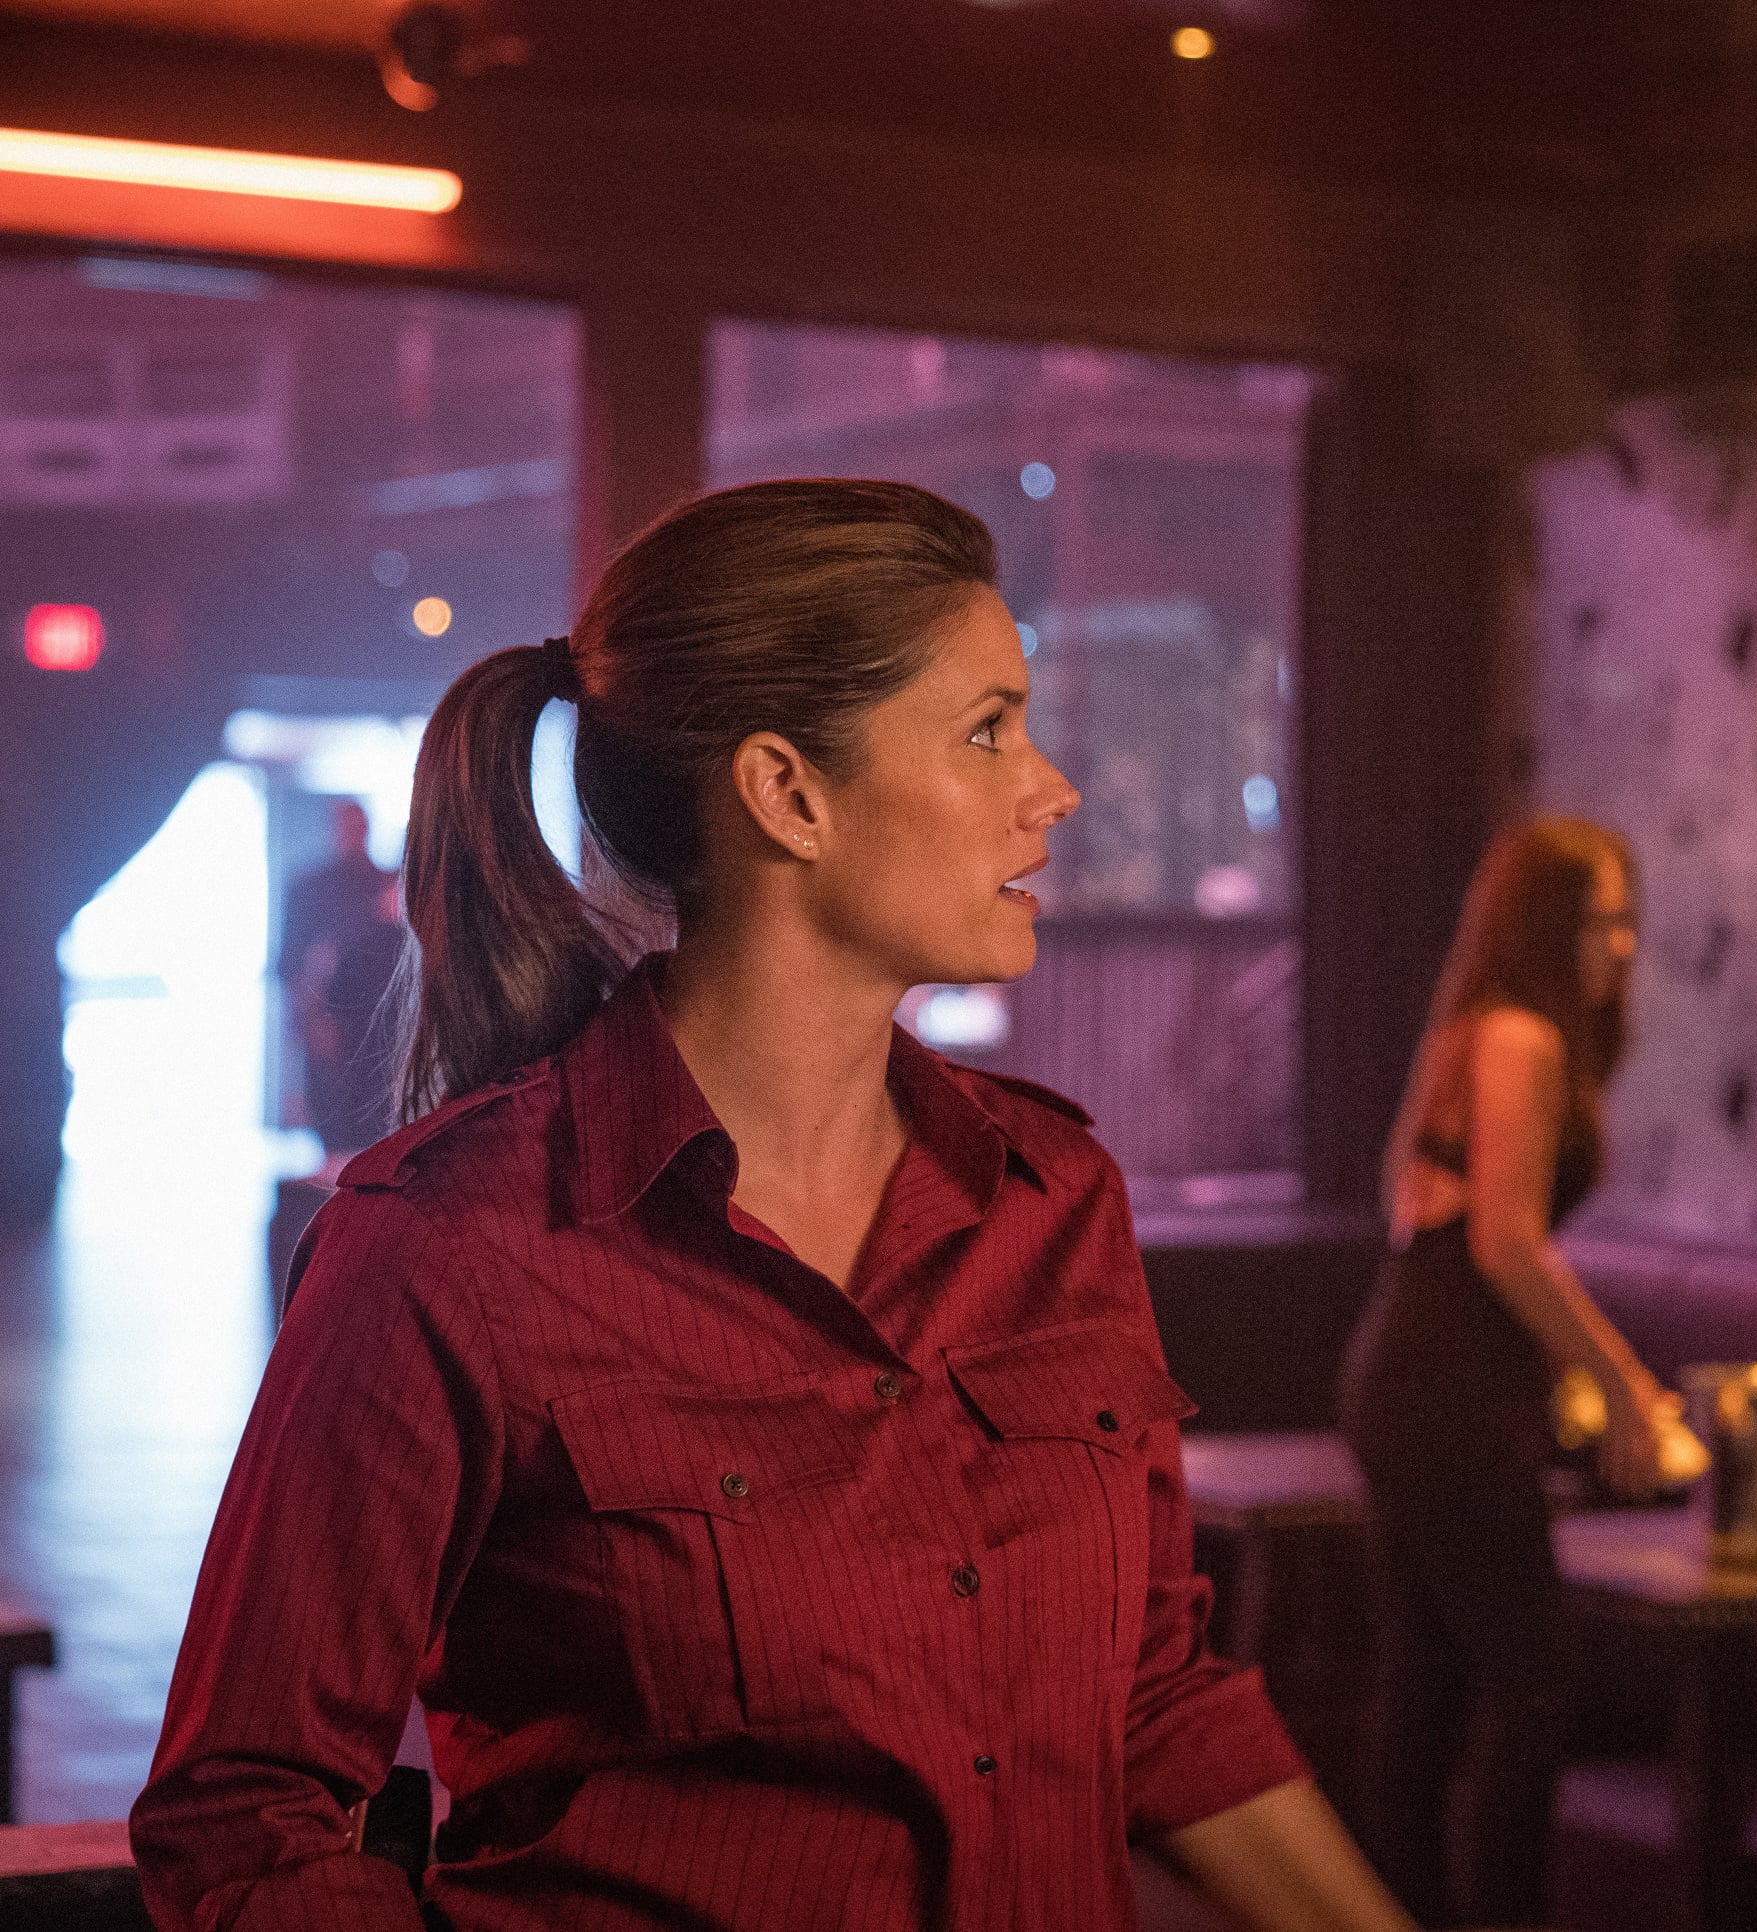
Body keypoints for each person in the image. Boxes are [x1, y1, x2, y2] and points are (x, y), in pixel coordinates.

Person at [133, 479, 1420, 1932]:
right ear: (788, 794)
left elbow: (1152, 1696)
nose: (1052, 787)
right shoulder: (450, 1247)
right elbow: (244, 1824)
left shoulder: (1056, 1197)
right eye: (988, 729)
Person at [1339, 817, 1675, 1927]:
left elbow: (1402, 1192)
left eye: (1626, 920)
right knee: (1536, 1677)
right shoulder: (1522, 1037)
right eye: (1597, 922)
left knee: (1428, 1680)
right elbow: (1507, 1244)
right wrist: (1621, 1384)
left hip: (1406, 1368)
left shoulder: (1468, 1026)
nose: (1621, 945)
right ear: (1542, 927)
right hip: (1447, 1384)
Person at [278, 798, 406, 1157]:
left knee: (374, 1127)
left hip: (380, 1029)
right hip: (330, 1025)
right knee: (335, 1127)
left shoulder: (389, 885)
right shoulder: (310, 888)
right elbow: (292, 965)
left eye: (357, 825)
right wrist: (307, 1025)